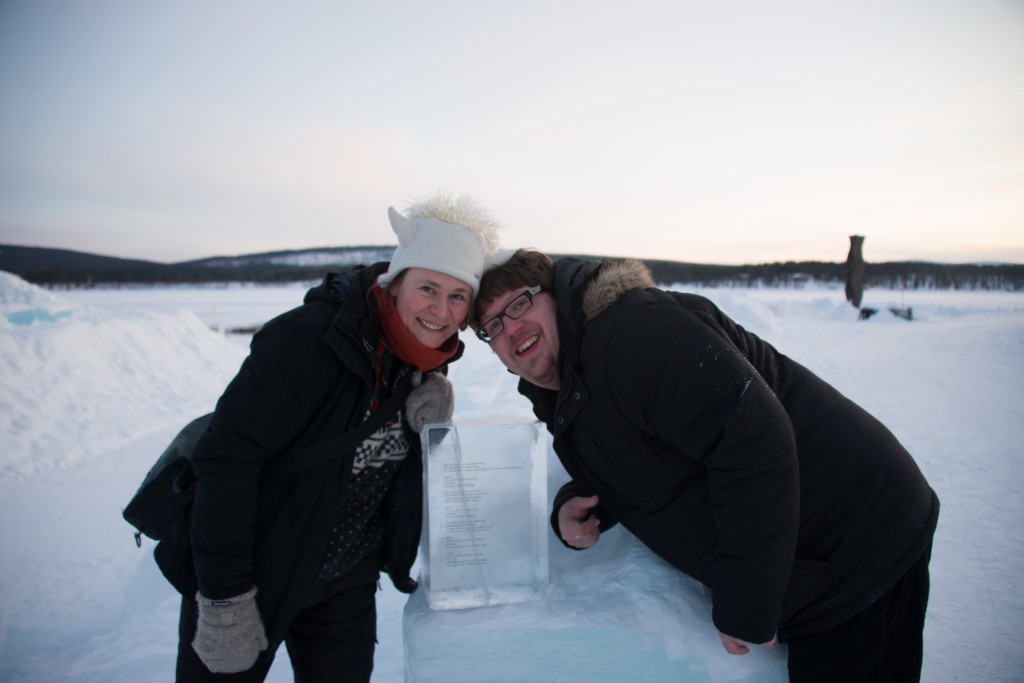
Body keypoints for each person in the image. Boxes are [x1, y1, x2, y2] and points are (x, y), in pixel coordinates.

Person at [472, 250, 939, 682]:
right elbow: (641, 452)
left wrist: (748, 603)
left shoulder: (633, 333)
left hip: (855, 538)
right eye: (491, 326)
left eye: (519, 305)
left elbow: (754, 440)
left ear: (556, 295)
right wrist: (578, 500)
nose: (509, 329)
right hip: (813, 556)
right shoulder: (568, 384)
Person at [158, 191, 501, 682]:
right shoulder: (305, 340)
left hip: (345, 582)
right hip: (254, 572)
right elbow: (226, 460)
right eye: (428, 288)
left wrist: (429, 408)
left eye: (456, 297)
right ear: (394, 282)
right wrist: (224, 598)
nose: (440, 311)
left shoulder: (420, 361)